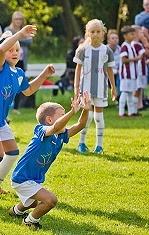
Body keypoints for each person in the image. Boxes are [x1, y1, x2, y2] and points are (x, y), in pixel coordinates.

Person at [0, 26, 55, 197]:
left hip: (1, 121)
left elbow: (28, 90)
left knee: (13, 153)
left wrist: (44, 74)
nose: (14, 52)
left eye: (17, 50)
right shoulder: (0, 68)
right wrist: (20, 34)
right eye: (10, 50)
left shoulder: (19, 73)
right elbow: (0, 49)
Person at [9, 92, 91, 229]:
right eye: (62, 115)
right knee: (51, 200)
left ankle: (15, 211)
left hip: (32, 179)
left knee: (33, 203)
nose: (65, 119)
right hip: (22, 178)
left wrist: (86, 109)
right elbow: (56, 127)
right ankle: (29, 221)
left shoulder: (60, 136)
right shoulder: (42, 130)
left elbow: (81, 125)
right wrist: (72, 112)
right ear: (49, 120)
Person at [74, 19, 117, 154]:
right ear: (87, 34)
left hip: (100, 89)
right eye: (92, 32)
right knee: (87, 116)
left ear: (103, 33)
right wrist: (76, 88)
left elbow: (110, 70)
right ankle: (82, 143)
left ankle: (99, 146)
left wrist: (113, 87)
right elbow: (78, 69)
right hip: (85, 90)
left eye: (98, 31)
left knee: (98, 117)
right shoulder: (83, 50)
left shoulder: (107, 51)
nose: (95, 34)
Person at [4, 11, 32, 114]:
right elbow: (7, 41)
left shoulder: (24, 30)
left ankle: (16, 107)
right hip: (10, 60)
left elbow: (30, 40)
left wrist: (18, 36)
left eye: (20, 19)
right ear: (13, 19)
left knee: (19, 83)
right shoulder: (8, 29)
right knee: (8, 83)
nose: (18, 21)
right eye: (17, 19)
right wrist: (21, 36)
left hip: (22, 60)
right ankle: (6, 105)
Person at [118, 26, 142, 118]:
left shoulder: (130, 46)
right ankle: (121, 112)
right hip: (126, 74)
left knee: (130, 93)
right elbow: (124, 60)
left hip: (132, 74)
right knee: (124, 93)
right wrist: (137, 58)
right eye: (131, 34)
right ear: (125, 36)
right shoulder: (124, 46)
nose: (133, 35)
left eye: (134, 33)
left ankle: (131, 112)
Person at [132, 25, 148, 111]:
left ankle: (139, 105)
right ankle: (135, 107)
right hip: (139, 69)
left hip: (141, 69)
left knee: (140, 87)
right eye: (141, 33)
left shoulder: (136, 44)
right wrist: (145, 42)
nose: (142, 35)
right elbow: (146, 54)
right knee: (137, 88)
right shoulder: (137, 45)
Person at [106, 30, 121, 99]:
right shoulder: (105, 50)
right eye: (113, 38)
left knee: (120, 78)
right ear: (108, 40)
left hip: (118, 73)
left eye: (116, 38)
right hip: (107, 73)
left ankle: (119, 97)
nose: (115, 40)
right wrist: (116, 71)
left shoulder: (120, 49)